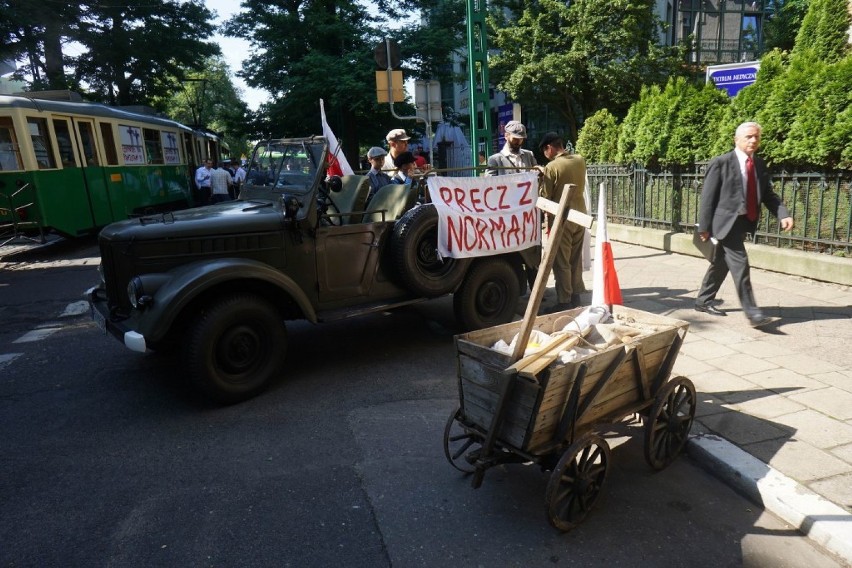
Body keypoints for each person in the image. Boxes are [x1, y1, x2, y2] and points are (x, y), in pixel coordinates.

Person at [695, 121, 794, 327]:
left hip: (744, 221)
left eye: (756, 136)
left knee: (722, 263)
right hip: (724, 223)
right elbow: (707, 197)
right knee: (740, 264)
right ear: (736, 139)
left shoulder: (758, 164)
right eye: (749, 136)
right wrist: (704, 227)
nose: (753, 140)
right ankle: (753, 313)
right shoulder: (721, 162)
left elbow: (767, 194)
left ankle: (703, 301)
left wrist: (782, 213)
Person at [538, 132, 587, 313]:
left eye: (545, 150)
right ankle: (576, 295)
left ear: (549, 148)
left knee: (562, 262)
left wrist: (542, 178)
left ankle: (564, 300)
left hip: (563, 219)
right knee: (575, 259)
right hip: (580, 216)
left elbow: (545, 197)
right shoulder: (580, 160)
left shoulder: (552, 167)